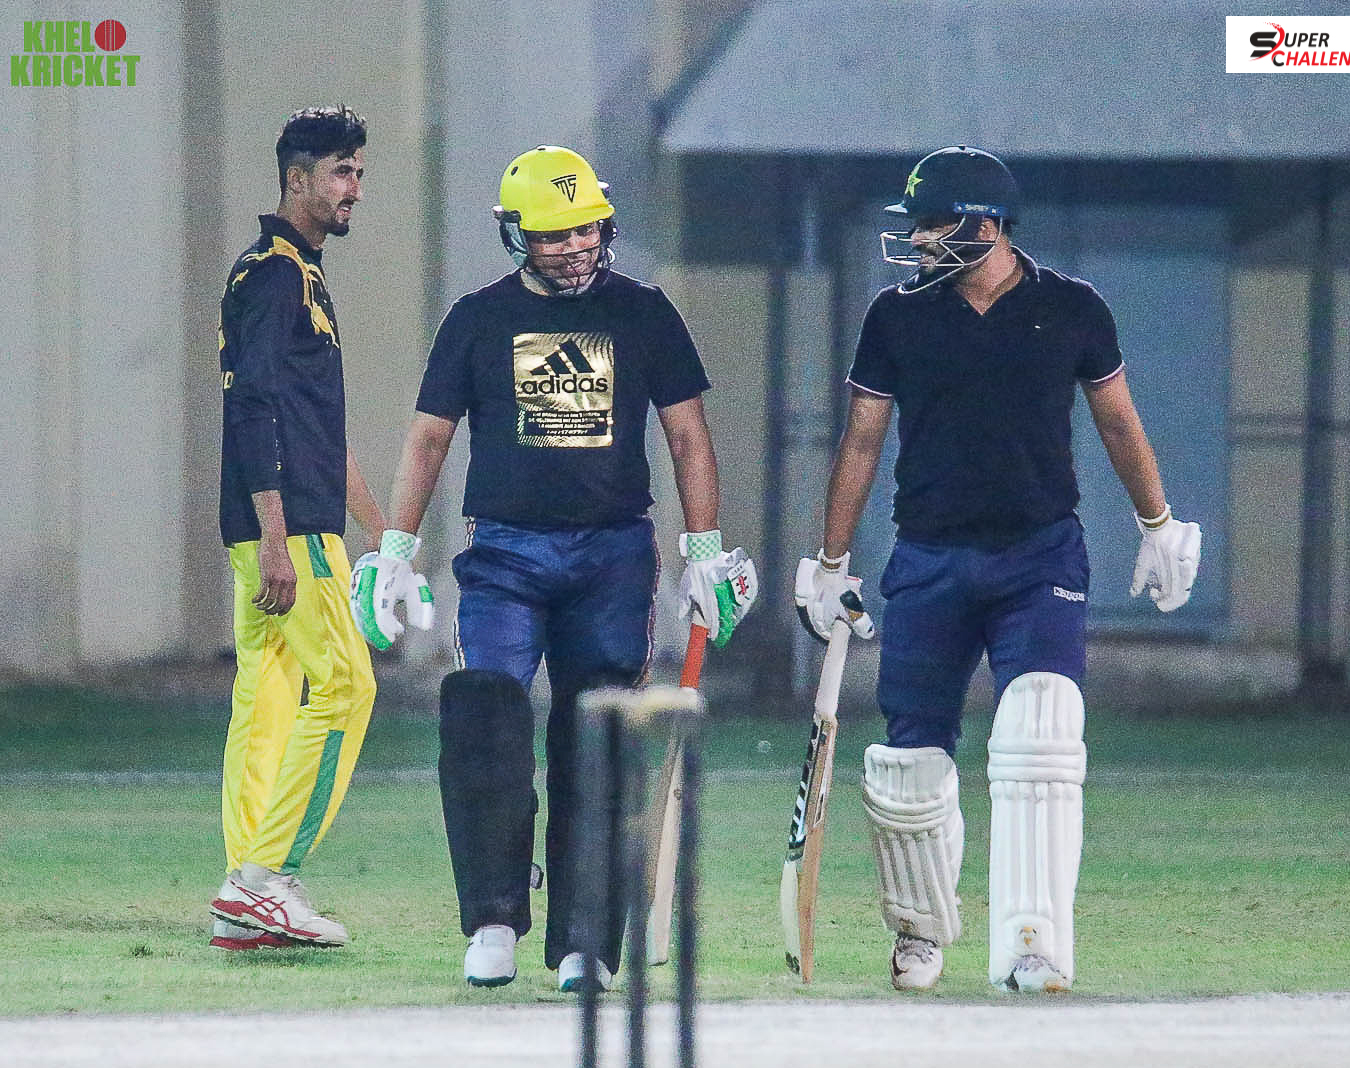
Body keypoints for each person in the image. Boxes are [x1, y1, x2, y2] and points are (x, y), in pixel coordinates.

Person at [795, 145, 1200, 994]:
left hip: (1037, 553)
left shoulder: (1071, 306)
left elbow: (1118, 422)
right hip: (928, 554)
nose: (918, 240)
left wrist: (1157, 524)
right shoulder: (896, 314)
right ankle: (919, 932)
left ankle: (1031, 943)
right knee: (910, 761)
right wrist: (830, 562)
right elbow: (861, 442)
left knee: (1042, 731)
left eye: (932, 225)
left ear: (986, 226)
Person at [351, 145, 756, 992]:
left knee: (597, 734)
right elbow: (428, 438)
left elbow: (688, 436)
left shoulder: (644, 312)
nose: (574, 248)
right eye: (553, 235)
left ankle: (585, 940)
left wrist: (703, 549)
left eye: (585, 230)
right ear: (516, 237)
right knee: (485, 715)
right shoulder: (477, 318)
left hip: (612, 555)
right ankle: (494, 917)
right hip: (504, 552)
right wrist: (393, 551)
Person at [208, 105, 397, 951]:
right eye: (340, 172)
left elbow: (315, 426)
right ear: (296, 179)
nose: (354, 188)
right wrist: (279, 536)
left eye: (358, 172)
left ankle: (241, 887)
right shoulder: (277, 276)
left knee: (269, 697)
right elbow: (254, 409)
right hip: (288, 529)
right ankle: (264, 880)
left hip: (278, 525)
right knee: (348, 687)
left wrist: (384, 534)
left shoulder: (292, 273)